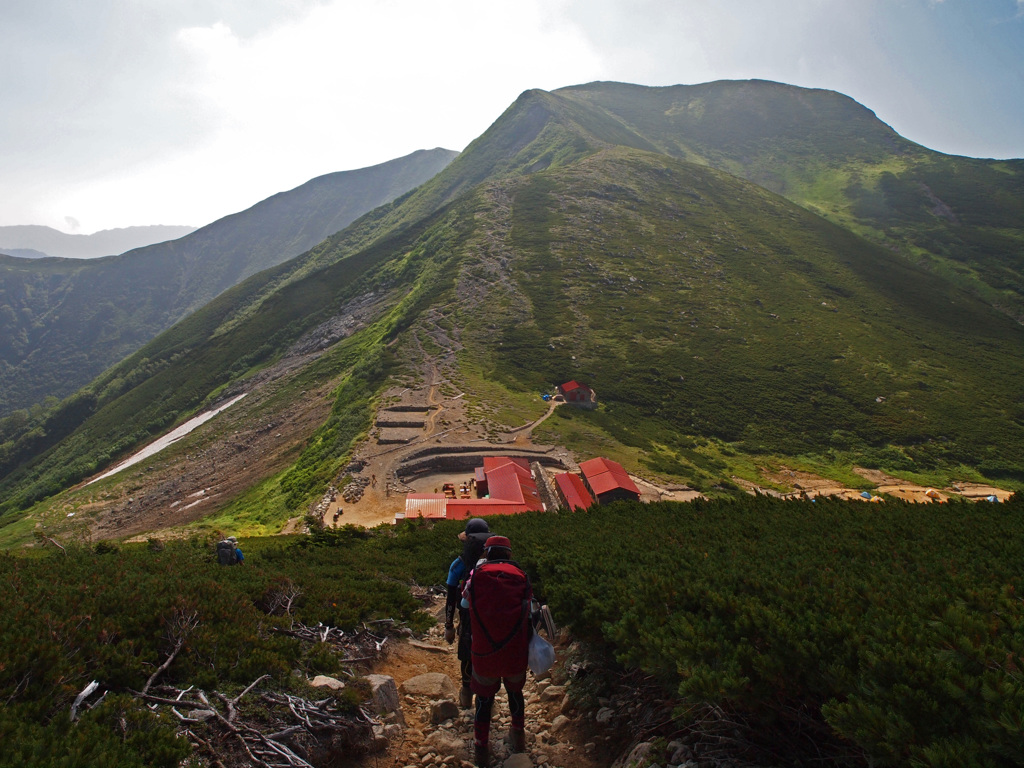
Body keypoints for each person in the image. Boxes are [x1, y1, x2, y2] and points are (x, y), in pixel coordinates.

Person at [461, 535, 532, 766]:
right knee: (515, 692)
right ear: (509, 554)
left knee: (484, 698)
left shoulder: (476, 576)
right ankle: (518, 736)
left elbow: (464, 603)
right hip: (515, 651)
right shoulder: (522, 578)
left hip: (483, 651)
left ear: (487, 553)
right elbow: (529, 610)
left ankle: (481, 747)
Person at [445, 518, 491, 708]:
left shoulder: (459, 564)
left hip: (467, 614)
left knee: (466, 649)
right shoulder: (495, 561)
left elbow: (450, 596)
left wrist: (449, 625)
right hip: (492, 614)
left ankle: (466, 690)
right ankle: (487, 694)